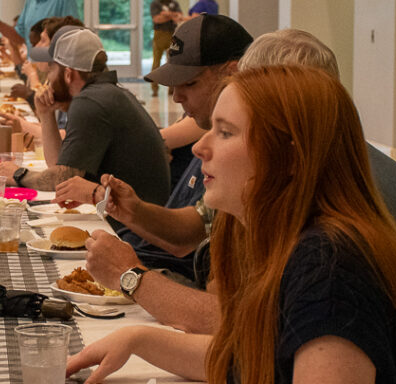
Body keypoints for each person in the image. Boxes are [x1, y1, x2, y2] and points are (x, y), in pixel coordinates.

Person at [33, 65, 396, 384]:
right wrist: (141, 338)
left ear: (288, 157)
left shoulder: (332, 264)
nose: (199, 146)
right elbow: (250, 359)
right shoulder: (290, 238)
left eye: (225, 133)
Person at [83, 28, 396, 339]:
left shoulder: (328, 216)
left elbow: (239, 326)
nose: (202, 146)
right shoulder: (323, 169)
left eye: (231, 126)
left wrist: (132, 277)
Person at [54, 14, 251, 281]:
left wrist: (132, 279)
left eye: (190, 82)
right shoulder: (208, 129)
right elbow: (191, 229)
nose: (176, 96)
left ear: (232, 73)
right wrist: (126, 208)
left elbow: (221, 310)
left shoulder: (252, 158)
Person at [0, 27, 170, 228]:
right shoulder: (105, 93)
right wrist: (46, 115)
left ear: (68, 74)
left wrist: (19, 175)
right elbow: (60, 168)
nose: (48, 78)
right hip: (137, 225)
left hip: (134, 235)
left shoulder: (90, 102)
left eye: (52, 69)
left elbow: (63, 178)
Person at [148, 0, 181, 97]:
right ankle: (154, 88)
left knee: (172, 62)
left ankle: (172, 87)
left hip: (172, 34)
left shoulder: (173, 3)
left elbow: (179, 17)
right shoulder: (155, 4)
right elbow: (156, 19)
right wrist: (170, 16)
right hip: (159, 34)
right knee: (156, 62)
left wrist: (167, 14)